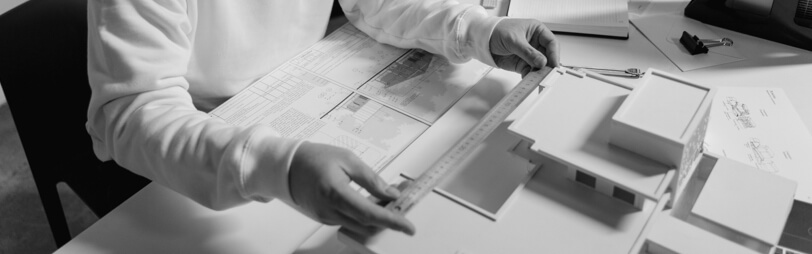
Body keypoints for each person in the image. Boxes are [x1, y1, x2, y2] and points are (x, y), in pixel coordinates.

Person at [86, 0, 559, 236]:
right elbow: (131, 111)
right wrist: (280, 168)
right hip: (205, 146)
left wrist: (479, 28)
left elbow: (375, 2)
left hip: (313, 98)